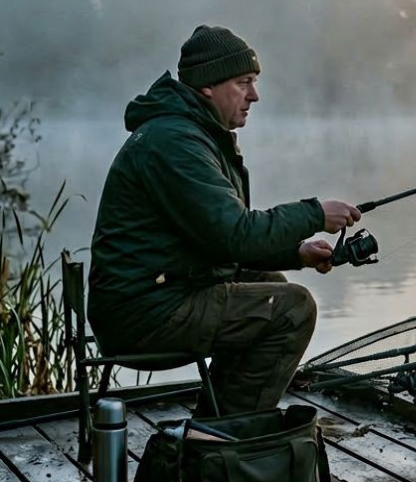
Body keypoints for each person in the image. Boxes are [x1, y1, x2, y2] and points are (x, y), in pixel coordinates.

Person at [87, 24, 361, 415]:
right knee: (292, 308)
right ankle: (225, 436)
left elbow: (217, 240)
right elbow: (235, 235)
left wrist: (297, 252)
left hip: (159, 292)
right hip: (142, 315)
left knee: (270, 285)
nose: (255, 95)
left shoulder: (190, 133)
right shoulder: (175, 143)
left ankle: (220, 419)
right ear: (208, 86)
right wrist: (314, 213)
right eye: (244, 82)